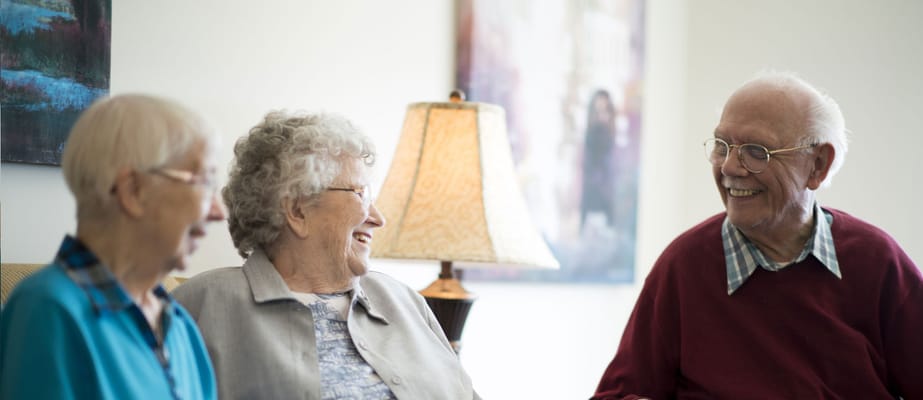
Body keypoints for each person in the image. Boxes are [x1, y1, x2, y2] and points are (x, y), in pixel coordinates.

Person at [592, 72, 923, 399]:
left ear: (818, 165)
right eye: (722, 146)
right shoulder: (684, 266)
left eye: (756, 151)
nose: (729, 168)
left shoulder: (876, 262)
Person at [173, 111, 479, 399]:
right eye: (360, 193)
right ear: (297, 211)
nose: (377, 218)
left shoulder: (402, 301)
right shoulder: (201, 306)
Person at [0, 94, 223, 399]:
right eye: (205, 183)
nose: (219, 211)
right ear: (133, 191)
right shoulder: (48, 311)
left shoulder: (179, 325)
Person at [580, 89, 617, 230]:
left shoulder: (615, 148)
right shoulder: (587, 145)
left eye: (605, 111)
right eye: (597, 111)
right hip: (590, 202)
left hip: (607, 205)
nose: (601, 116)